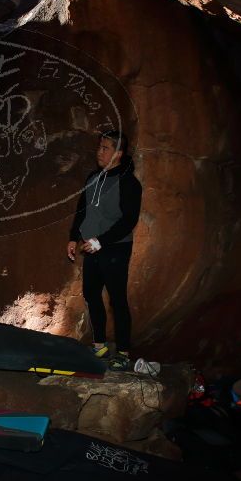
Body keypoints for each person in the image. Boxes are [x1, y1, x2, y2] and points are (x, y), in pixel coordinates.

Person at [67, 130, 142, 371]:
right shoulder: (93, 178)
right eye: (100, 147)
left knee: (117, 300)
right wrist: (72, 237)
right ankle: (99, 345)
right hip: (91, 247)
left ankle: (122, 352)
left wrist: (101, 241)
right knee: (91, 294)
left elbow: (128, 221)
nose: (100, 152)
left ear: (118, 153)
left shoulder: (129, 183)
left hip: (115, 248)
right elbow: (82, 209)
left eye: (106, 148)